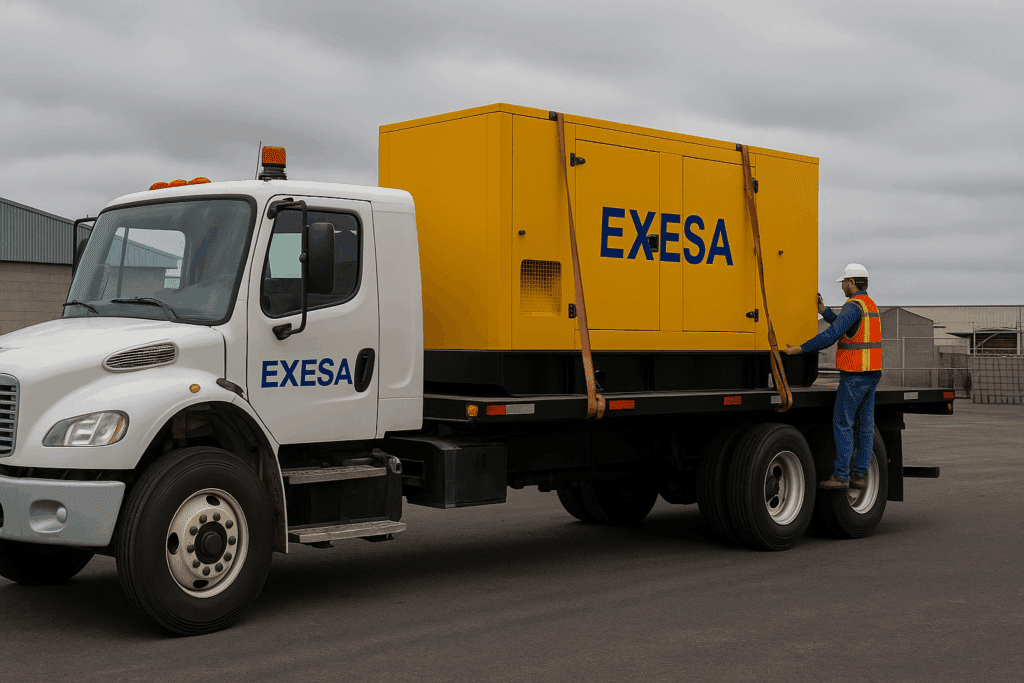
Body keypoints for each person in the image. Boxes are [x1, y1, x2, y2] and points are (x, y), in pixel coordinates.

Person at [784, 264, 883, 489]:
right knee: (865, 427)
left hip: (855, 375)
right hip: (872, 374)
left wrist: (801, 348)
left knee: (843, 423)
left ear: (851, 282)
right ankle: (859, 475)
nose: (843, 288)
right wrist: (824, 311)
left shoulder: (853, 306)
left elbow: (831, 335)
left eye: (844, 283)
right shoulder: (869, 305)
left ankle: (841, 476)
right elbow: (847, 327)